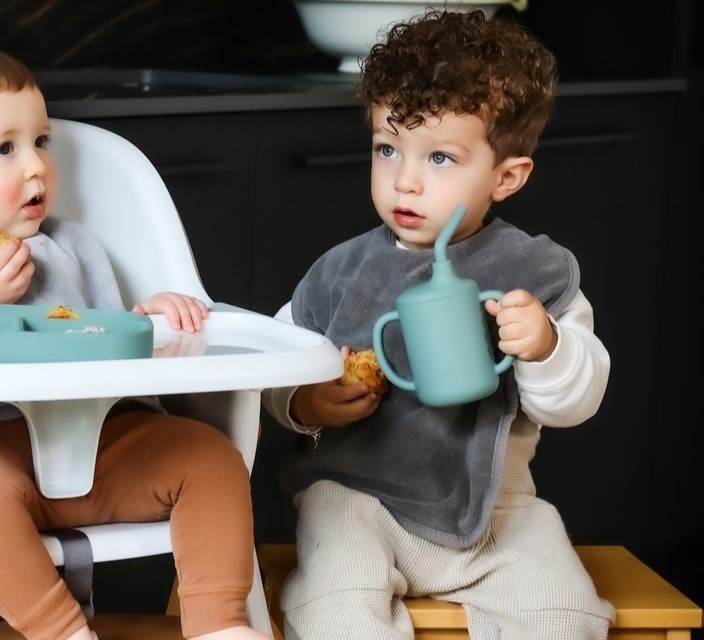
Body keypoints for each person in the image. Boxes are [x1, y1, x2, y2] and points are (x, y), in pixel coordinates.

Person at [0, 34, 270, 640]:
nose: (36, 164)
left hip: (106, 444)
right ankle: (62, 632)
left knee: (210, 457)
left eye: (41, 141)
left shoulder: (70, 246)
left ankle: (220, 627)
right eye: (4, 148)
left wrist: (155, 317)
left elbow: (105, 332)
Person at [262, 9, 616, 640]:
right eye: (388, 147)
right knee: (334, 604)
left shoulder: (533, 273)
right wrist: (303, 400)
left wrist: (546, 347)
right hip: (356, 499)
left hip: (497, 512)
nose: (405, 179)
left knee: (562, 608)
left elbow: (577, 402)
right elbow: (273, 360)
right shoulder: (341, 272)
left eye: (442, 158)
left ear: (506, 176)